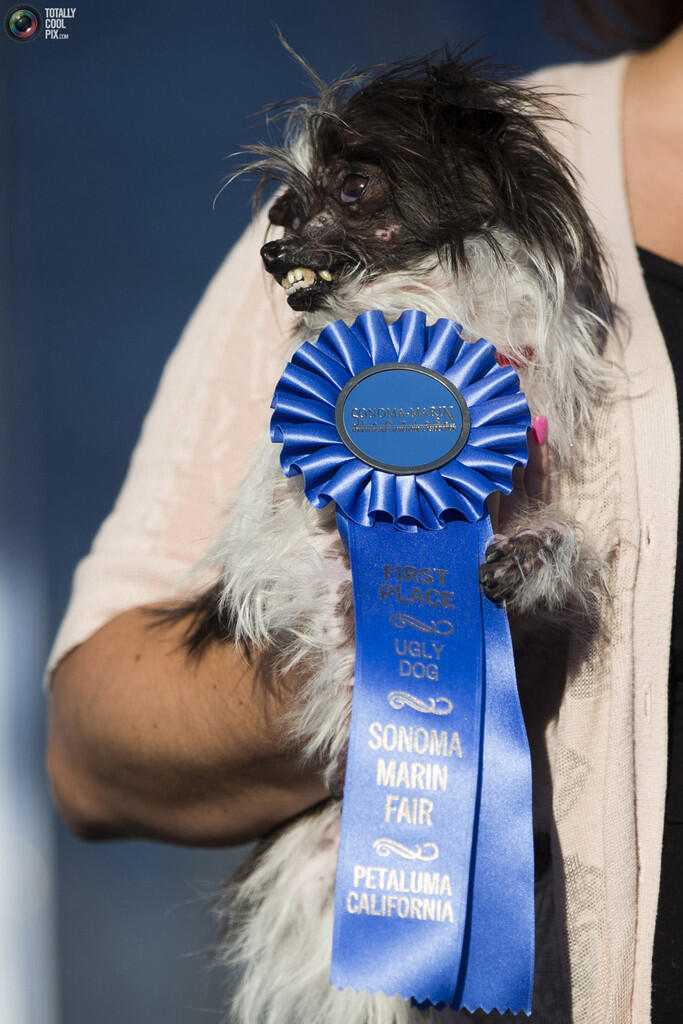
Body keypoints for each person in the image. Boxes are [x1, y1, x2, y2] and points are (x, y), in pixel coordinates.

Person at [46, 6, 683, 1021]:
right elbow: (89, 748)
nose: (290, 237)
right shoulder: (342, 306)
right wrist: (406, 646)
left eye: (347, 192)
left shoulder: (482, 184)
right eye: (297, 204)